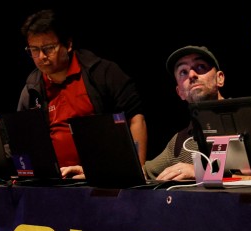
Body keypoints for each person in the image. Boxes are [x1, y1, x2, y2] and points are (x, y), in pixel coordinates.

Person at [16, 9, 147, 179]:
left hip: (104, 177)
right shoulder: (31, 89)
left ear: (68, 45)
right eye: (34, 49)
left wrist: (136, 171)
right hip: (55, 182)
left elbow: (135, 119)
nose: (41, 57)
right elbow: (24, 140)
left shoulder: (104, 74)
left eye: (49, 48)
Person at [143, 46, 226, 182]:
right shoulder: (179, 142)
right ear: (180, 92)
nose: (192, 75)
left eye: (200, 66)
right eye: (183, 72)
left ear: (220, 78)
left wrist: (202, 173)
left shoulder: (248, 120)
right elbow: (143, 173)